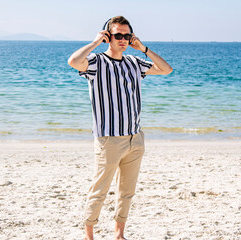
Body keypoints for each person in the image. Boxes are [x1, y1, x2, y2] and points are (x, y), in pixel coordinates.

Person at [68, 16, 172, 240]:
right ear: (108, 37)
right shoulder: (96, 62)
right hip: (109, 139)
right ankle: (89, 235)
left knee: (126, 191)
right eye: (118, 35)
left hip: (136, 138)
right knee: (100, 190)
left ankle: (119, 234)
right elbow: (74, 61)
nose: (123, 40)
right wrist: (95, 42)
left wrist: (142, 47)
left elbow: (166, 69)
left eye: (127, 36)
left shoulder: (134, 63)